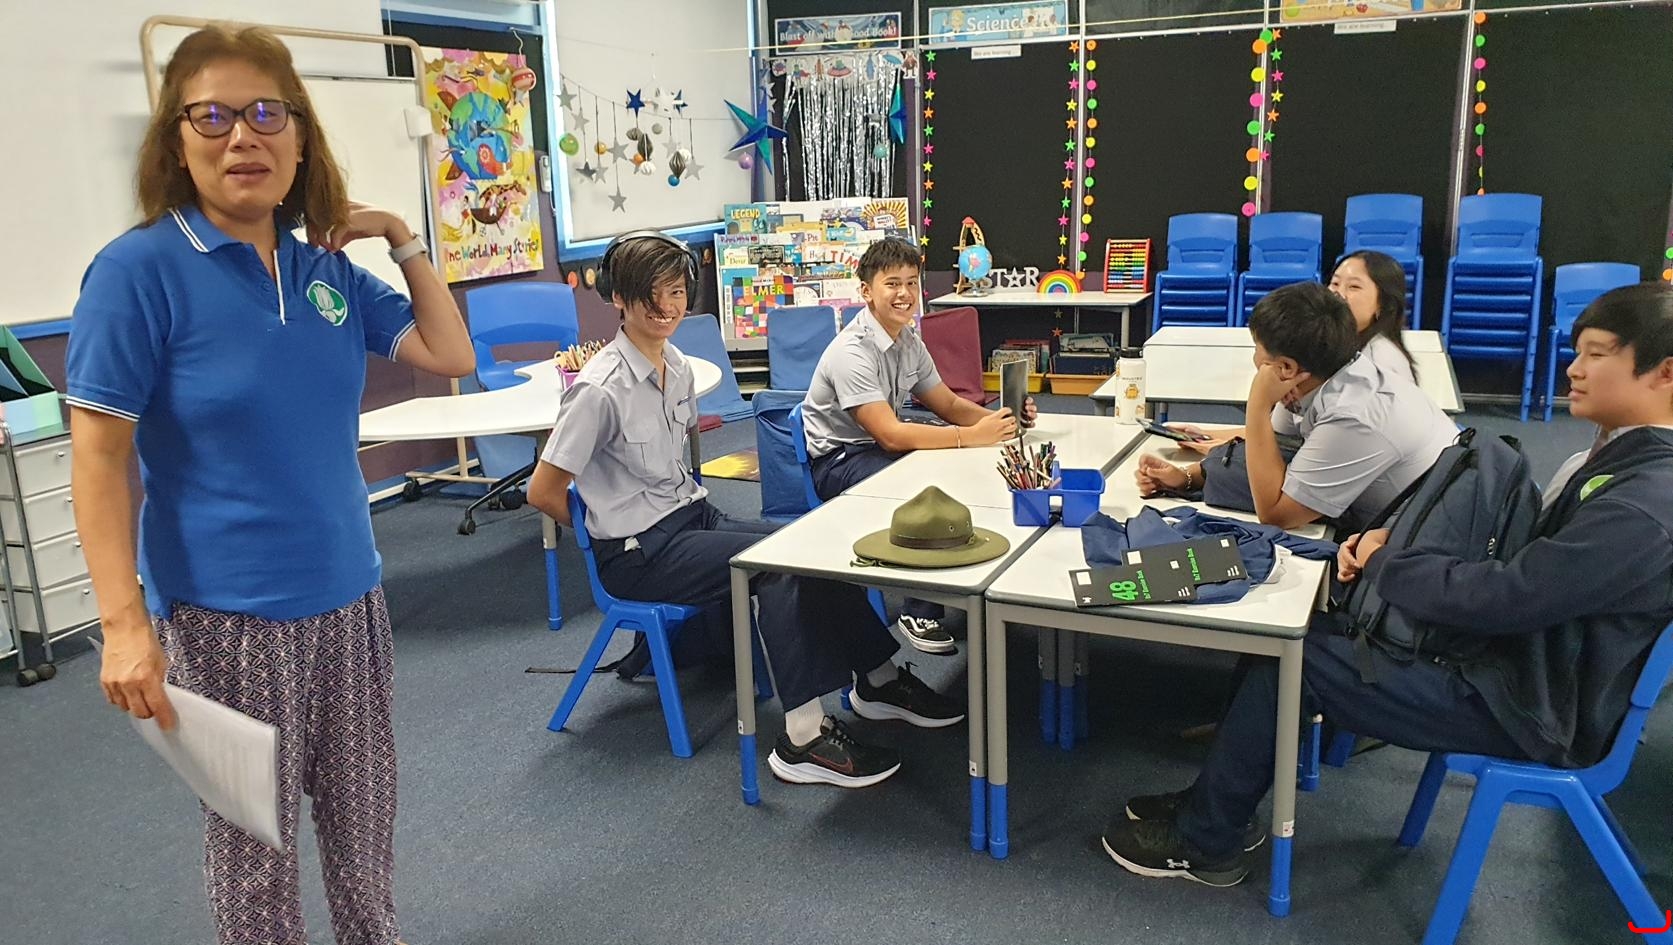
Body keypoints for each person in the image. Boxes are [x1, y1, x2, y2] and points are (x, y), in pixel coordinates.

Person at [69, 25, 475, 945]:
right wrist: (125, 625)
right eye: (210, 117)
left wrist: (402, 237)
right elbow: (97, 459)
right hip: (228, 618)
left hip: (350, 596)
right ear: (176, 141)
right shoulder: (137, 272)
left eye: (264, 113)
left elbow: (448, 352)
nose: (241, 137)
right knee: (255, 852)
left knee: (364, 828)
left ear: (299, 136)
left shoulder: (322, 269)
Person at [1101, 282, 1673, 887]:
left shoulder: (1644, 504)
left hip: (1528, 705)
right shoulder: (1624, 465)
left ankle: (1205, 841)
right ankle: (1216, 804)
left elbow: (1508, 598)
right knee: (1294, 636)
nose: (1574, 369)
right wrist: (1393, 550)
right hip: (1515, 668)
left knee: (1295, 660)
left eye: (1597, 354)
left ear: (1665, 372)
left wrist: (1388, 564)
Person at [525, 231, 963, 791]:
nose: (665, 307)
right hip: (639, 550)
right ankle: (802, 739)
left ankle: (876, 682)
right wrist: (607, 535)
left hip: (692, 518)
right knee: (776, 568)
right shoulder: (598, 389)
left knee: (815, 545)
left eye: (676, 292)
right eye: (650, 294)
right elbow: (543, 491)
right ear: (618, 297)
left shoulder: (677, 365)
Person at [801, 237, 1035, 652]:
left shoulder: (908, 340)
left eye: (911, 282)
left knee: (962, 466)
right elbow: (890, 435)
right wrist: (968, 437)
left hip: (878, 447)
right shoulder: (851, 352)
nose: (904, 293)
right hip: (841, 460)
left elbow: (947, 404)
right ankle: (919, 609)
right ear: (866, 290)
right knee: (923, 490)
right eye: (892, 283)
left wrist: (998, 422)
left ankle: (964, 578)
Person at [1133, 282, 1456, 532]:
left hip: (1421, 536)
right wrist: (1188, 471)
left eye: (1257, 348)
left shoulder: (1353, 416)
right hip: (1391, 515)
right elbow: (1271, 442)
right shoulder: (1324, 371)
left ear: (1285, 367)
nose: (1255, 358)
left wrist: (1258, 405)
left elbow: (1277, 514)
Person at [1168, 250, 1420, 455]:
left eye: (1354, 287)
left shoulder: (1379, 365)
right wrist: (1207, 435)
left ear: (1383, 305)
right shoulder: (1323, 348)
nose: (1338, 294)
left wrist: (1227, 451)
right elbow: (1278, 432)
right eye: (1334, 283)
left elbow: (1327, 451)